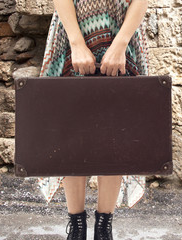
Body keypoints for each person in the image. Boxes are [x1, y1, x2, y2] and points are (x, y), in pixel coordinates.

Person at [37, 0, 149, 239]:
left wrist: (121, 43)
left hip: (122, 29)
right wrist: (76, 43)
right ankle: (76, 228)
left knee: (115, 134)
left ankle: (104, 228)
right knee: (70, 131)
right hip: (72, 31)